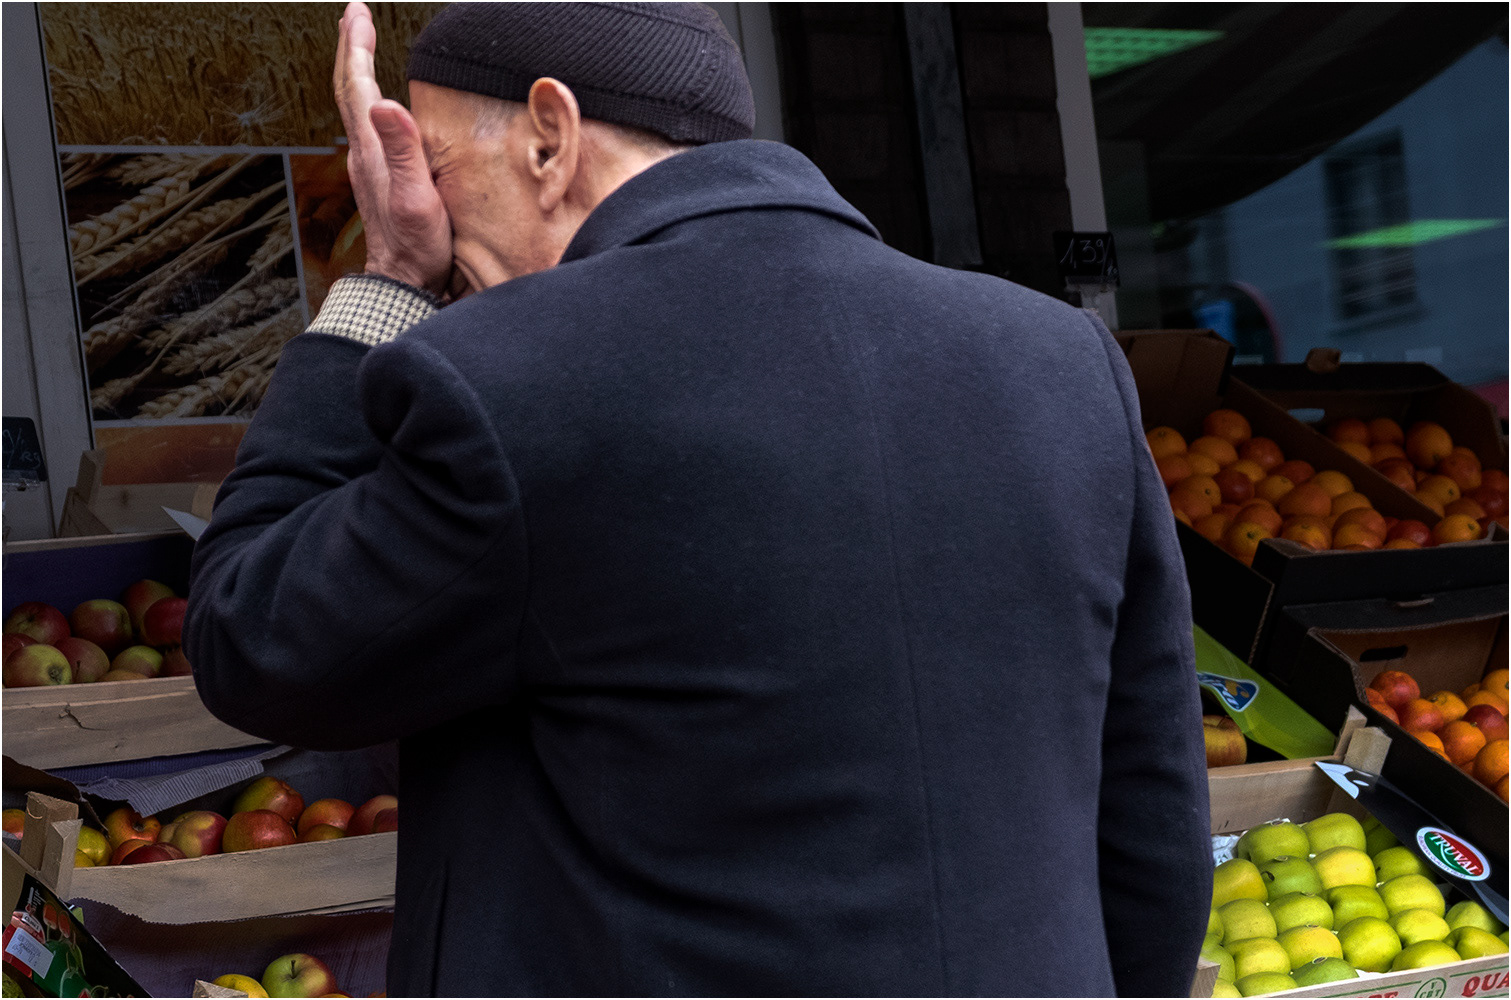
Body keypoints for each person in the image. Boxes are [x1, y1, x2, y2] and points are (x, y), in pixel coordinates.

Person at [185, 3, 1212, 995]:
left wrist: (388, 277)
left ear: (550, 137)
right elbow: (1153, 818)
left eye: (437, 172)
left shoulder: (511, 381)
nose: (435, 222)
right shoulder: (1057, 360)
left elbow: (254, 639)